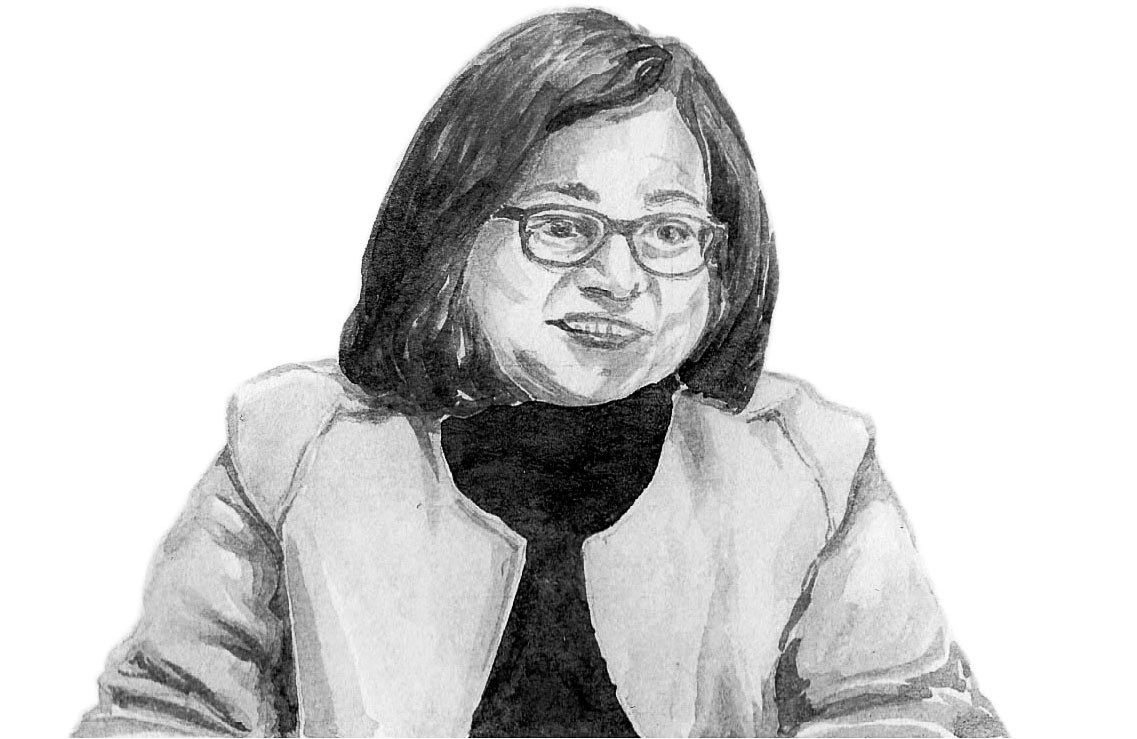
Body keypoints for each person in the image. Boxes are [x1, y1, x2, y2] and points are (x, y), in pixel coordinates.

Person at [75, 9, 1006, 738]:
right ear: (447, 233)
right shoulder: (292, 449)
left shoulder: (807, 463)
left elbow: (909, 709)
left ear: (723, 264)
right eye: (562, 225)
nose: (618, 277)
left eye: (668, 231)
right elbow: (165, 710)